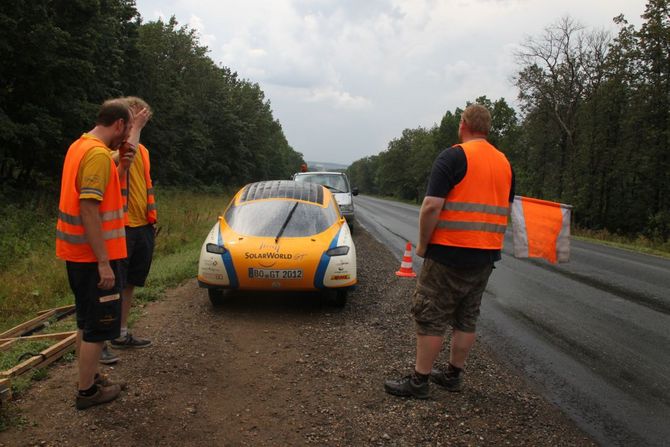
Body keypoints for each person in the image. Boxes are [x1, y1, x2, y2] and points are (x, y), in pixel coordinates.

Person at [384, 104, 514, 399]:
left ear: (463, 124)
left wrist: (422, 244)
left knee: (430, 314)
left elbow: (431, 206)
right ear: (488, 128)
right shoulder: (505, 163)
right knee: (467, 316)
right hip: (485, 255)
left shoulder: (454, 156)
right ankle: (453, 376)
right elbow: (505, 207)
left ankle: (419, 381)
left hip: (449, 251)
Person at [56, 99, 136, 409]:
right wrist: (104, 263)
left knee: (85, 322)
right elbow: (89, 208)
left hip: (76, 254)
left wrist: (122, 165)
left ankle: (87, 379)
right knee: (98, 326)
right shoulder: (97, 155)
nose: (127, 136)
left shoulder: (80, 146)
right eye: (127, 129)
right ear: (118, 124)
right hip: (94, 259)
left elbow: (98, 193)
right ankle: (87, 393)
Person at [100, 97, 155, 364]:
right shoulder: (108, 148)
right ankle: (99, 341)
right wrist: (136, 129)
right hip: (118, 227)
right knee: (111, 286)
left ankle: (120, 334)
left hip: (141, 226)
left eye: (141, 120)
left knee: (130, 282)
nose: (137, 124)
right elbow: (121, 158)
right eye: (133, 119)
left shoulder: (142, 150)